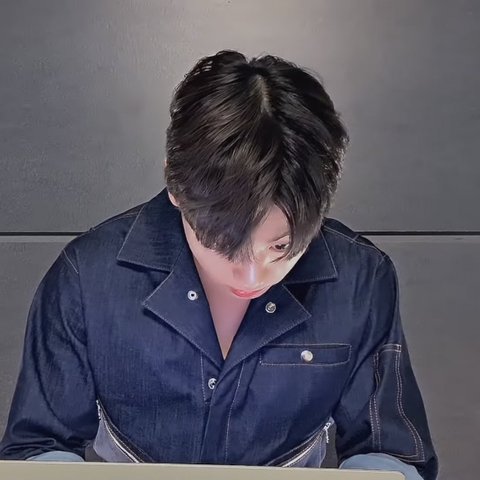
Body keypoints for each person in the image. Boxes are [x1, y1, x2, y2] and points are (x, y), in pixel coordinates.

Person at [0, 50, 438, 479]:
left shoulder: (360, 280)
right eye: (225, 246)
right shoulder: (89, 276)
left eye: (281, 247)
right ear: (175, 186)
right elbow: (38, 445)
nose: (253, 277)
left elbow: (391, 452)